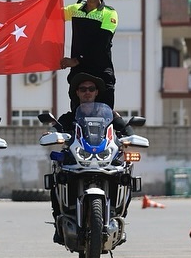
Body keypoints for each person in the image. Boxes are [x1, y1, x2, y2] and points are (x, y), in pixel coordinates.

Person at [49, 73, 135, 244]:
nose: (87, 92)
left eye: (91, 89)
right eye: (83, 89)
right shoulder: (69, 117)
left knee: (126, 174)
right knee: (57, 176)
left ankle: (120, 218)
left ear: (96, 92)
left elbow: (127, 130)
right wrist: (51, 133)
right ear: (77, 93)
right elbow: (55, 129)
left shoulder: (110, 115)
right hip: (77, 158)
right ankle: (59, 222)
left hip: (105, 157)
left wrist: (130, 136)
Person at [55, 0, 118, 110]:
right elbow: (53, 15)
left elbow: (102, 43)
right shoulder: (75, 9)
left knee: (107, 115)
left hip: (101, 70)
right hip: (79, 74)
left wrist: (76, 60)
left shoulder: (109, 13)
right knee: (76, 116)